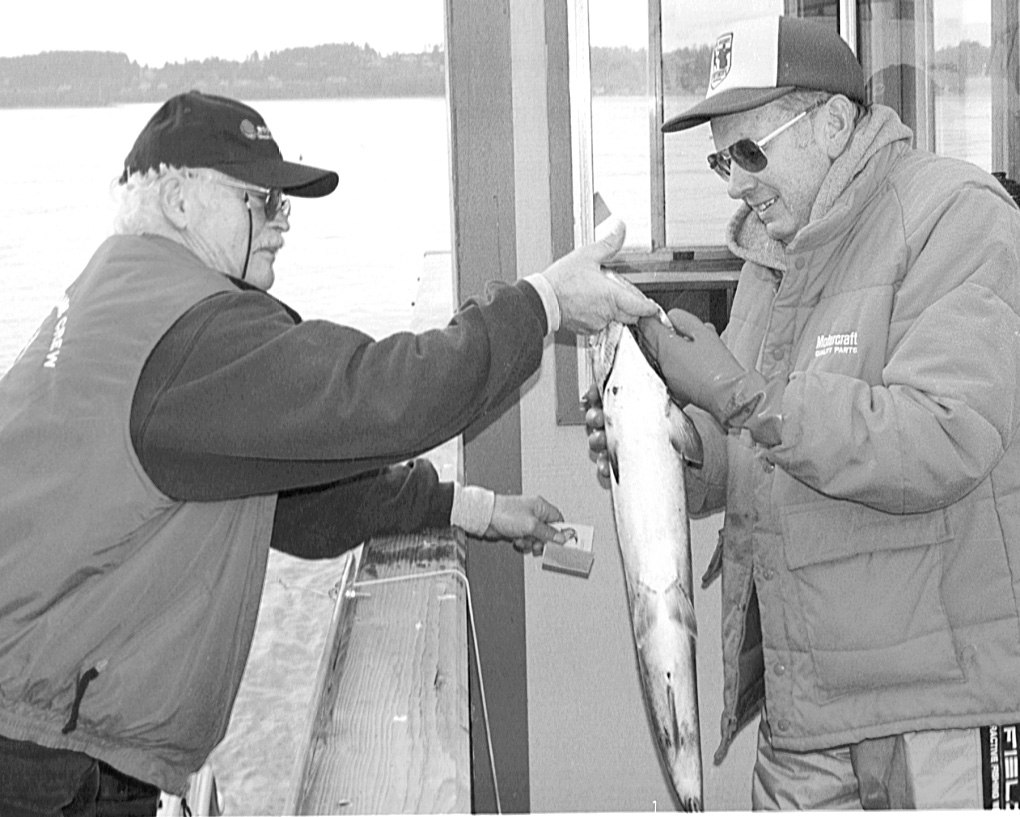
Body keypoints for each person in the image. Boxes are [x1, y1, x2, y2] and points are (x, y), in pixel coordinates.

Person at [0, 90, 656, 814]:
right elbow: (385, 395)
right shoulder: (187, 334)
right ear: (181, 200)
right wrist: (545, 302)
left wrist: (475, 508)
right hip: (43, 763)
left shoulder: (121, 303)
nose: (283, 228)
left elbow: (303, 507)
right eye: (264, 202)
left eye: (288, 206)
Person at [586, 15, 1020, 810]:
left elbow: (939, 436)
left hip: (935, 715)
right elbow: (762, 453)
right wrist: (682, 448)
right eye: (720, 159)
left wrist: (734, 391)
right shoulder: (769, 252)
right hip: (801, 708)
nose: (734, 181)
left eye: (750, 151)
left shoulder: (958, 214)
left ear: (831, 122)